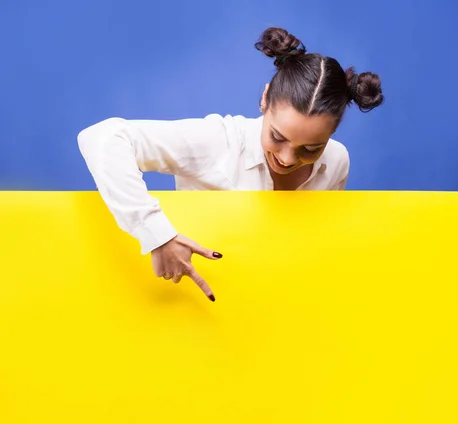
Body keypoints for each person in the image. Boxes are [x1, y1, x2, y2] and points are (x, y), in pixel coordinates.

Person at [78, 27, 383, 302]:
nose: (288, 158)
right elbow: (103, 138)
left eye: (311, 148)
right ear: (264, 100)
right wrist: (157, 234)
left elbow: (312, 247)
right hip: (197, 308)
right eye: (277, 136)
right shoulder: (219, 141)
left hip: (281, 308)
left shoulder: (337, 160)